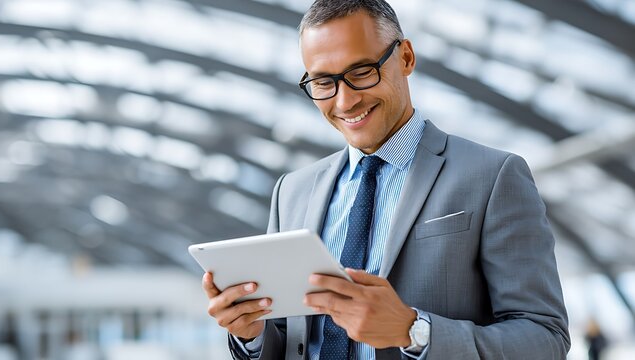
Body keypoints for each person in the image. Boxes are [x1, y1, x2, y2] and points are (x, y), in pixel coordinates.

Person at [202, 0, 570, 359]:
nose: (344, 102)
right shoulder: (292, 192)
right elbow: (291, 339)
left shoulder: (493, 176)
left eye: (361, 72)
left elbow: (545, 338)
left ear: (406, 57)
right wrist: (251, 334)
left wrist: (413, 331)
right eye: (323, 82)